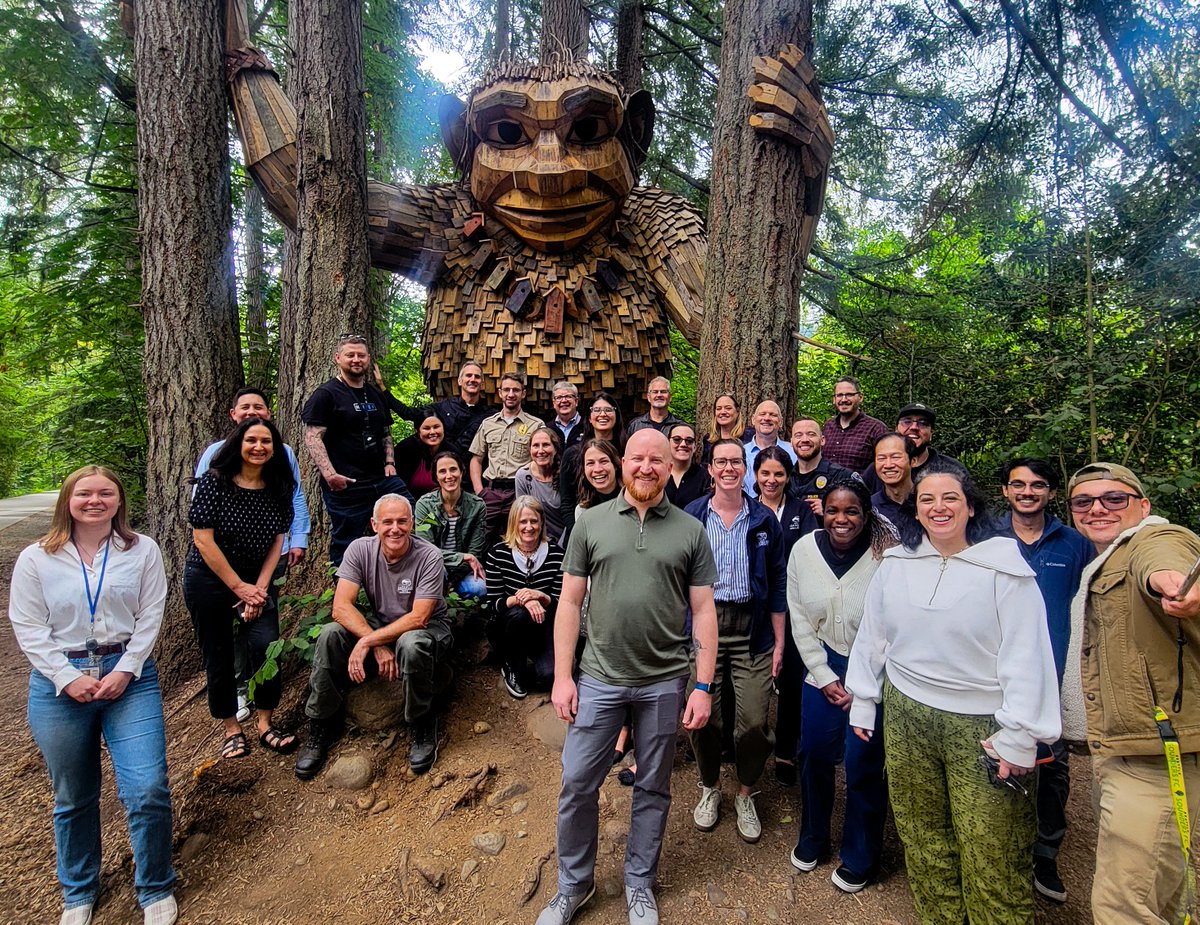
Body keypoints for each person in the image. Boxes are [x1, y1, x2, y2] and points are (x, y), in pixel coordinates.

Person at [845, 458, 1060, 925]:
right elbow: (873, 636)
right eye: (927, 499)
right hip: (906, 714)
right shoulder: (898, 563)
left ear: (969, 508)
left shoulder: (1003, 569)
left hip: (982, 724)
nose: (938, 507)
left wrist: (1021, 734)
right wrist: (863, 699)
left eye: (950, 498)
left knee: (992, 843)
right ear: (916, 511)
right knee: (922, 833)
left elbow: (1028, 655)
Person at [537, 429, 718, 925]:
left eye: (655, 460)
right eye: (636, 458)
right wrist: (563, 676)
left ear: (668, 466)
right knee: (577, 782)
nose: (645, 467)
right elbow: (569, 602)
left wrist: (702, 685)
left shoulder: (690, 529)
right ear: (623, 464)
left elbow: (703, 611)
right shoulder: (590, 524)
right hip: (598, 676)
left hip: (664, 680)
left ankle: (640, 883)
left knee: (654, 786)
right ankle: (573, 885)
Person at [9, 466, 178, 925]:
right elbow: (27, 625)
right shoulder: (36, 558)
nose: (95, 501)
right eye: (84, 493)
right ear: (68, 500)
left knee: (146, 788)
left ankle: (156, 884)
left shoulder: (141, 550)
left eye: (106, 493)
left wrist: (126, 669)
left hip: (130, 678)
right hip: (58, 686)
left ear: (119, 502)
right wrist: (66, 677)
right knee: (73, 794)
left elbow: (151, 613)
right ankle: (79, 890)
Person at [1061, 462, 1200, 925]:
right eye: (1084, 501)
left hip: (1158, 756)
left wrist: (1174, 583)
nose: (1097, 508)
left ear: (1143, 505)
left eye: (1113, 499)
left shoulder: (1155, 540)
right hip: (1126, 746)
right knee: (1162, 890)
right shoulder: (1103, 558)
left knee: (1122, 906)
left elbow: (1165, 563)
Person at [787, 477, 896, 892]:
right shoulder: (803, 550)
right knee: (814, 753)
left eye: (852, 511)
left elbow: (892, 624)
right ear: (822, 510)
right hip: (822, 664)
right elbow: (799, 617)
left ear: (866, 514)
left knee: (863, 761)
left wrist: (864, 680)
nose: (841, 519)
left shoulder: (886, 556)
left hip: (872, 667)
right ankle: (814, 835)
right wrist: (824, 674)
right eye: (833, 509)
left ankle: (861, 853)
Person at [295, 494, 452, 779]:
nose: (395, 529)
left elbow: (420, 617)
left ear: (412, 523)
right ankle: (320, 726)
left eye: (402, 521)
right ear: (374, 525)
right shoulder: (359, 550)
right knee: (330, 635)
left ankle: (421, 724)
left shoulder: (429, 556)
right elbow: (341, 607)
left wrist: (368, 641)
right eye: (388, 522)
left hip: (428, 631)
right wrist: (377, 642)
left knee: (411, 642)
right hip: (382, 625)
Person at [997, 457, 1093, 903]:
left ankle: (1045, 853)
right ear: (1005, 492)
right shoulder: (988, 538)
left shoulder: (1075, 544)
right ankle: (1001, 844)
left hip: (1054, 672)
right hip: (995, 672)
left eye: (1037, 485)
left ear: (1051, 493)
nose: (1027, 492)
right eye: (1018, 485)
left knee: (1051, 767)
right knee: (997, 757)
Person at [684, 438, 788, 845]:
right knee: (705, 718)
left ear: (746, 469)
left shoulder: (763, 520)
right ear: (709, 469)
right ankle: (710, 785)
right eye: (721, 462)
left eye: (736, 462)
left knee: (754, 723)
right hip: (703, 627)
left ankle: (746, 791)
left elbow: (777, 581)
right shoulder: (692, 517)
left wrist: (779, 643)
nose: (729, 468)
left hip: (753, 628)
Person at [195, 386, 310, 723]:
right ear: (234, 416)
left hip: (263, 566)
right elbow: (201, 529)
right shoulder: (214, 461)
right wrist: (240, 587)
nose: (251, 412)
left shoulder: (281, 463)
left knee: (262, 638)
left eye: (258, 406)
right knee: (220, 644)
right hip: (215, 570)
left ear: (269, 414)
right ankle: (233, 712)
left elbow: (292, 505)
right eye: (244, 407)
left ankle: (264, 717)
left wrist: (297, 539)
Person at [185, 417, 297, 760]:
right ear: (239, 443)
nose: (259, 447)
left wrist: (259, 588)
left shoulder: (278, 485)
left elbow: (279, 539)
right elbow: (203, 540)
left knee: (265, 645)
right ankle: (231, 728)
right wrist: (239, 588)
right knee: (217, 652)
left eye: (267, 441)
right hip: (210, 578)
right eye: (252, 440)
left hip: (257, 577)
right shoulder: (214, 482)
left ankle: (265, 722)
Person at [302, 334, 413, 565]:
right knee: (347, 542)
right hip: (346, 484)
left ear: (368, 358)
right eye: (350, 355)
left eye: (361, 355)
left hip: (381, 479)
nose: (356, 359)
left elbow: (385, 432)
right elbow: (313, 437)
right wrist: (330, 475)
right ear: (338, 358)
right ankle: (343, 595)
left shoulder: (374, 394)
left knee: (410, 515)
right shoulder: (326, 394)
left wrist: (390, 463)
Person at [752, 446, 817, 787]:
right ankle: (748, 743)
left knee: (791, 677)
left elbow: (809, 552)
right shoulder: (747, 510)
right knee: (751, 677)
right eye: (765, 473)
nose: (771, 480)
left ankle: (785, 750)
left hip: (794, 604)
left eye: (778, 474)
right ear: (755, 475)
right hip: (753, 603)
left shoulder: (801, 510)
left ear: (788, 476)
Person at [485, 496, 565, 698]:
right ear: (513, 523)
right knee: (520, 615)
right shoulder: (498, 554)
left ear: (541, 523)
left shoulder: (556, 554)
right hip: (508, 625)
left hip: (543, 623)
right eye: (523, 521)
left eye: (534, 521)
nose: (529, 527)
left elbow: (559, 601)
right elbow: (493, 604)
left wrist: (540, 596)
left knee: (548, 676)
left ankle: (535, 658)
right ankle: (512, 665)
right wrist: (523, 599)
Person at [469, 370, 544, 539]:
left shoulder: (536, 425)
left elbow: (541, 460)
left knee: (520, 537)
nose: (511, 394)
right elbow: (476, 459)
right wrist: (480, 491)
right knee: (482, 538)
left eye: (516, 390)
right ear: (500, 393)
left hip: (520, 492)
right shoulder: (488, 424)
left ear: (523, 394)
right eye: (507, 390)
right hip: (491, 492)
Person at [375, 359, 491, 461]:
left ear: (482, 383)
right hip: (444, 470)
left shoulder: (489, 415)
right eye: (468, 375)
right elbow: (408, 413)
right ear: (460, 381)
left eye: (477, 376)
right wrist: (382, 388)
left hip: (473, 471)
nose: (472, 379)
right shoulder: (443, 407)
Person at [412, 451, 488, 599]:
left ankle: (451, 593)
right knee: (437, 574)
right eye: (442, 471)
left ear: (461, 471)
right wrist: (463, 557)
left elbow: (475, 553)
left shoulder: (477, 506)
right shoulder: (425, 505)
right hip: (433, 568)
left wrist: (458, 571)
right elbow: (426, 551)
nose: (449, 476)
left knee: (480, 588)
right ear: (436, 477)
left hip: (462, 571)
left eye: (453, 469)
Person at [559, 393, 625, 532]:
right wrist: (577, 535)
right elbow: (567, 502)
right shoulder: (573, 454)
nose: (602, 414)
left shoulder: (627, 450)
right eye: (596, 410)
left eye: (608, 410)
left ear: (616, 415)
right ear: (589, 418)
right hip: (583, 525)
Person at [860, 402, 957, 493]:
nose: (914, 427)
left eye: (923, 423)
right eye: (907, 421)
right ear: (896, 429)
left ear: (931, 432)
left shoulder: (951, 469)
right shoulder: (879, 469)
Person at [820, 376, 890, 474]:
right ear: (834, 399)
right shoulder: (828, 426)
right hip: (824, 487)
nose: (844, 399)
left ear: (860, 397)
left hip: (859, 488)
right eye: (839, 395)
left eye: (849, 395)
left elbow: (886, 464)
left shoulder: (876, 429)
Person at [787, 416, 851, 516]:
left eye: (811, 434)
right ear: (791, 442)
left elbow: (863, 512)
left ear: (822, 440)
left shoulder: (842, 477)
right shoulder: (785, 478)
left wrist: (831, 510)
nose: (804, 440)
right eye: (798, 435)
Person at [515, 426, 565, 543]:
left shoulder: (565, 474)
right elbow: (523, 515)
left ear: (555, 449)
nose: (541, 451)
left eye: (546, 445)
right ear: (530, 450)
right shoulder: (523, 476)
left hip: (566, 538)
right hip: (536, 539)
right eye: (536, 446)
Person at [742, 399, 797, 493]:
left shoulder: (793, 452)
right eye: (762, 414)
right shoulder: (741, 453)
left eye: (773, 415)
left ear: (780, 422)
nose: (767, 418)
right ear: (753, 420)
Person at [869, 433, 918, 531]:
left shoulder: (927, 502)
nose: (888, 465)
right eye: (881, 458)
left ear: (913, 461)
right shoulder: (870, 508)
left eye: (895, 457)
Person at [394, 414, 450, 499]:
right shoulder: (405, 449)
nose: (432, 432)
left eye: (436, 427)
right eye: (426, 428)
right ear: (418, 431)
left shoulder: (451, 451)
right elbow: (398, 485)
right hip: (411, 501)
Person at [664, 422, 710, 510]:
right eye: (677, 439)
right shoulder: (658, 473)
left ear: (695, 447)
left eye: (689, 441)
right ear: (668, 443)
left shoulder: (705, 477)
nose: (683, 444)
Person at [701, 392, 754, 463]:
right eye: (718, 409)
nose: (723, 412)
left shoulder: (750, 435)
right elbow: (705, 466)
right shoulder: (708, 439)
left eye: (728, 408)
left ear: (737, 412)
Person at [548, 380, 584, 450]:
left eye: (568, 396)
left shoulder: (588, 426)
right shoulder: (547, 428)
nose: (564, 400)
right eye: (559, 397)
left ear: (576, 401)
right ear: (554, 403)